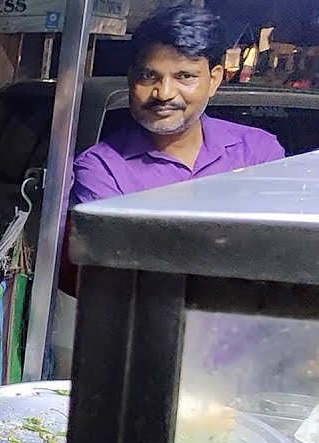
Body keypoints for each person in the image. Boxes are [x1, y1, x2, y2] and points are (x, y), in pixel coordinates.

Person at [60, 4, 285, 295]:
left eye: (185, 76)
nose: (164, 93)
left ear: (214, 80)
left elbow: (276, 257)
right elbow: (116, 275)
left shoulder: (257, 153)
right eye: (149, 76)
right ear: (131, 78)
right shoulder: (101, 169)